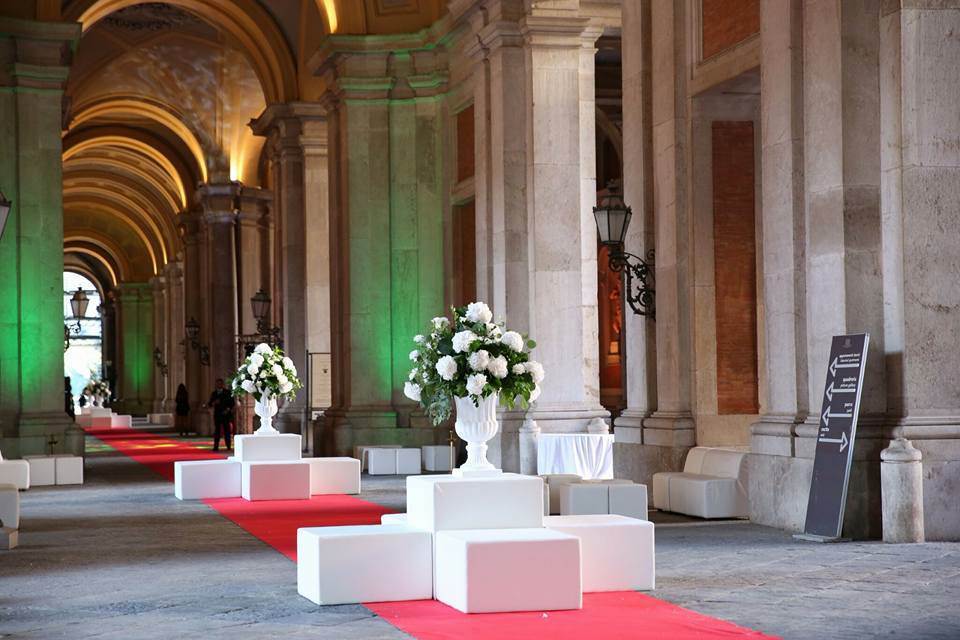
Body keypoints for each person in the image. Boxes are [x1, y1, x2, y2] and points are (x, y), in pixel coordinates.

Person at [207, 378, 234, 451]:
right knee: (217, 431)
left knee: (227, 430)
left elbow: (232, 403)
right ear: (216, 384)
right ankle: (216, 446)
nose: (219, 385)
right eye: (218, 383)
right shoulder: (214, 393)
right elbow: (210, 404)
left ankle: (228, 446)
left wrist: (227, 410)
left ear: (222, 384)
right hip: (217, 414)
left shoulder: (227, 392)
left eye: (220, 383)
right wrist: (214, 403)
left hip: (226, 414)